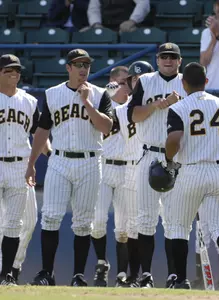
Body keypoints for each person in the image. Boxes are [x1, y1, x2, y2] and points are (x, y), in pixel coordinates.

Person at [25, 49, 114, 286]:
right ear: (68, 68)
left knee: (83, 222)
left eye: (87, 64)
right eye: (78, 64)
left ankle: (78, 275)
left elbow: (106, 127)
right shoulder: (53, 93)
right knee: (51, 217)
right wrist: (32, 163)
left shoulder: (100, 94)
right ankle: (46, 273)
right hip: (60, 159)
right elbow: (42, 130)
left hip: (90, 160)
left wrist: (86, 102)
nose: (83, 69)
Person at [163, 62, 219, 290]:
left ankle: (181, 280)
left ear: (183, 83)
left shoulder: (179, 107)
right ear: (206, 82)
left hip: (191, 169)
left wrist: (168, 160)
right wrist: (218, 152)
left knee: (179, 227)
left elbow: (174, 140)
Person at [127, 43, 184, 288]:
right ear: (157, 59)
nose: (168, 61)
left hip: (179, 157)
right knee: (145, 219)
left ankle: (174, 275)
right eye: (164, 57)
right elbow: (133, 115)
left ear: (179, 61)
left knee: (174, 219)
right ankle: (146, 275)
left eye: (173, 57)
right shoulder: (146, 81)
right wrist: (156, 105)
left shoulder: (186, 82)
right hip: (150, 152)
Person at [90, 63, 153, 288]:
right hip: (104, 166)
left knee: (124, 228)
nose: (128, 86)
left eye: (131, 81)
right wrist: (109, 91)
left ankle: (123, 275)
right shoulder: (103, 102)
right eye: (125, 81)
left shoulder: (135, 105)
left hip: (129, 168)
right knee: (96, 222)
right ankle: (101, 263)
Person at [0, 54, 49, 286]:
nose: (14, 74)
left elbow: (39, 133)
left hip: (20, 165)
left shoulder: (29, 101)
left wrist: (51, 154)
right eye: (8, 70)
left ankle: (8, 274)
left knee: (16, 223)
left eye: (17, 70)